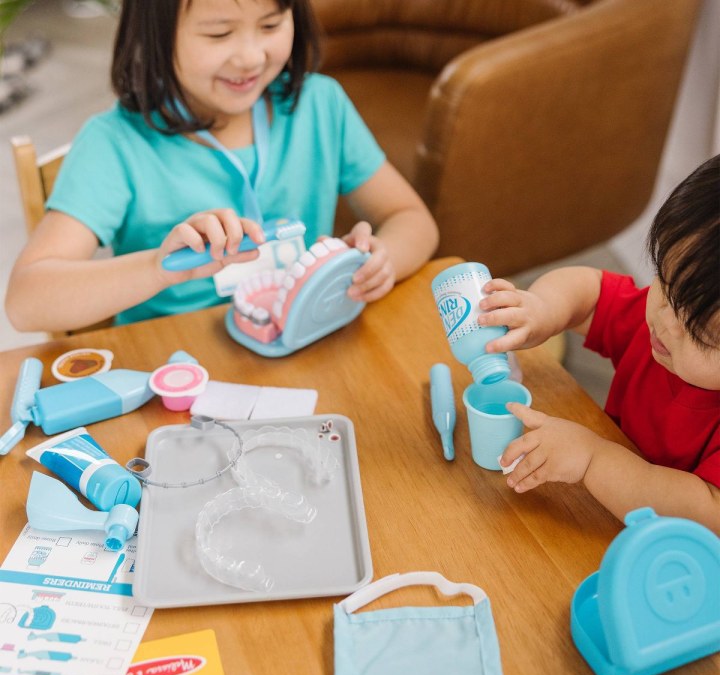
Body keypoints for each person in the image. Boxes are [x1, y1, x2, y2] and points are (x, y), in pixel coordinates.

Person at [5, 0, 438, 332]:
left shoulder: (319, 105)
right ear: (155, 35)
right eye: (218, 34)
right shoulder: (115, 144)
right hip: (176, 375)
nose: (250, 57)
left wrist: (382, 260)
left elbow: (411, 219)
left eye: (270, 25)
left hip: (303, 339)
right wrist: (158, 267)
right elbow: (27, 303)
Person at [477, 155, 720, 533]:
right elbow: (592, 293)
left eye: (699, 334)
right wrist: (544, 309)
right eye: (667, 284)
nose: (665, 321)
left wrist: (593, 459)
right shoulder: (661, 324)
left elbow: (703, 515)